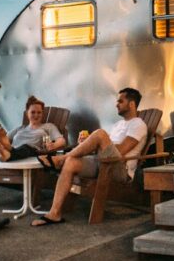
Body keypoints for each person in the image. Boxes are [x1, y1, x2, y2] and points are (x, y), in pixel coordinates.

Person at [31, 87, 148, 226]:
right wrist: (86, 144)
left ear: (132, 104)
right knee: (71, 161)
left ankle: (59, 159)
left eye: (120, 101)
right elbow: (106, 147)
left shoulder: (138, 124)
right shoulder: (118, 124)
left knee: (99, 134)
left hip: (119, 168)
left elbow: (121, 150)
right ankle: (54, 213)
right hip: (102, 162)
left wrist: (96, 142)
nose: (117, 104)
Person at [0, 96, 65, 162]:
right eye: (33, 112)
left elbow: (61, 141)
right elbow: (1, 140)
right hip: (15, 153)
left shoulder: (48, 126)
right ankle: (7, 152)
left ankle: (7, 152)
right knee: (6, 145)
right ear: (27, 113)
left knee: (25, 147)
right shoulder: (20, 129)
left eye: (39, 112)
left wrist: (53, 146)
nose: (36, 115)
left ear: (43, 114)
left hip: (32, 154)